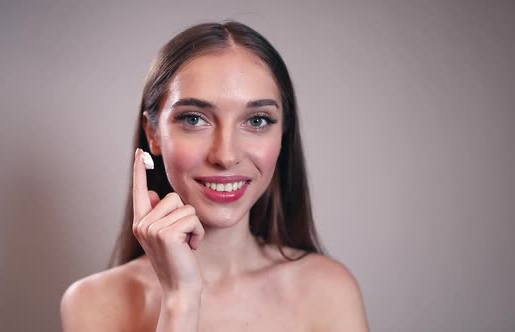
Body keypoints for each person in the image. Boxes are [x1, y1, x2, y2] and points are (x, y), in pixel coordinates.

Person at [60, 21, 369, 331]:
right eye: (194, 119)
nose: (226, 155)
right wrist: (180, 298)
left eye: (257, 120)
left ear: (283, 135)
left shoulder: (328, 290)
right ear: (152, 133)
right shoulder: (93, 302)